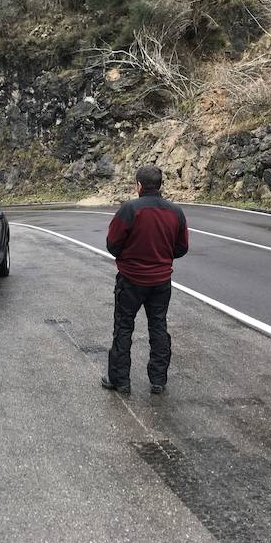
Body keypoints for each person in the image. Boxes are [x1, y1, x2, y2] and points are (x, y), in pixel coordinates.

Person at [102, 165, 188, 395]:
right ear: (160, 185)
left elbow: (113, 244)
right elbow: (181, 248)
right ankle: (158, 380)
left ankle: (120, 380)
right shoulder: (175, 212)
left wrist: (129, 256)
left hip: (131, 279)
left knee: (123, 327)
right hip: (161, 281)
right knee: (158, 326)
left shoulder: (129, 209)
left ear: (139, 185)